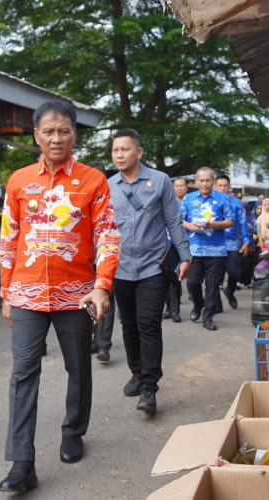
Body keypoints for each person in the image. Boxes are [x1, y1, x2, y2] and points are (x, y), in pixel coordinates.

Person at [0, 100, 120, 493]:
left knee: (78, 368)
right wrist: (5, 292)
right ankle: (22, 462)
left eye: (63, 130)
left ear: (73, 135)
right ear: (36, 135)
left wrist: (102, 286)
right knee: (22, 374)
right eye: (48, 131)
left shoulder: (93, 180)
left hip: (76, 294)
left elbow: (108, 236)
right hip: (27, 293)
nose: (55, 138)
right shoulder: (19, 181)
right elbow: (8, 239)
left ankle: (73, 430)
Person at [109, 129, 191, 415]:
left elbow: (174, 221)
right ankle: (136, 372)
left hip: (153, 267)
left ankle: (149, 387)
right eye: (115, 150)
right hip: (119, 268)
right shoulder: (108, 186)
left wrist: (185, 256)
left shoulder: (160, 181)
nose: (119, 155)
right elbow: (102, 230)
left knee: (149, 325)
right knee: (128, 325)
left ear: (139, 152)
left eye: (125, 149)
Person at [181, 167, 235, 331]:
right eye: (201, 180)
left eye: (208, 180)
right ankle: (198, 305)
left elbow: (230, 221)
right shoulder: (188, 199)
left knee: (212, 286)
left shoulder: (223, 199)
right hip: (194, 250)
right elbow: (179, 220)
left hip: (216, 251)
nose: (204, 183)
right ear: (196, 182)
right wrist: (190, 226)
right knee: (192, 283)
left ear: (213, 181)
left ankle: (208, 317)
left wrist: (212, 225)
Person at [86, 160, 116, 364]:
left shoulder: (113, 196)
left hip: (107, 260)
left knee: (106, 301)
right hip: (86, 261)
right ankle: (93, 339)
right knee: (88, 301)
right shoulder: (79, 196)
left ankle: (104, 343)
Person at [214, 174, 251, 310]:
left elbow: (242, 223)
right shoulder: (209, 203)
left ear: (229, 187)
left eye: (225, 186)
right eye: (220, 186)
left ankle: (229, 291)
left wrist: (246, 241)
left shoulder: (236, 203)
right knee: (214, 277)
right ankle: (216, 304)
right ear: (215, 187)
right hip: (214, 244)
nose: (223, 188)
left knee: (234, 273)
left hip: (232, 244)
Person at [163, 177, 189, 322]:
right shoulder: (167, 201)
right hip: (164, 244)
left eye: (182, 186)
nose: (179, 188)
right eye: (177, 186)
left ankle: (175, 310)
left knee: (175, 279)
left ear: (186, 187)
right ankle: (168, 308)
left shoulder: (189, 203)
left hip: (179, 244)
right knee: (165, 279)